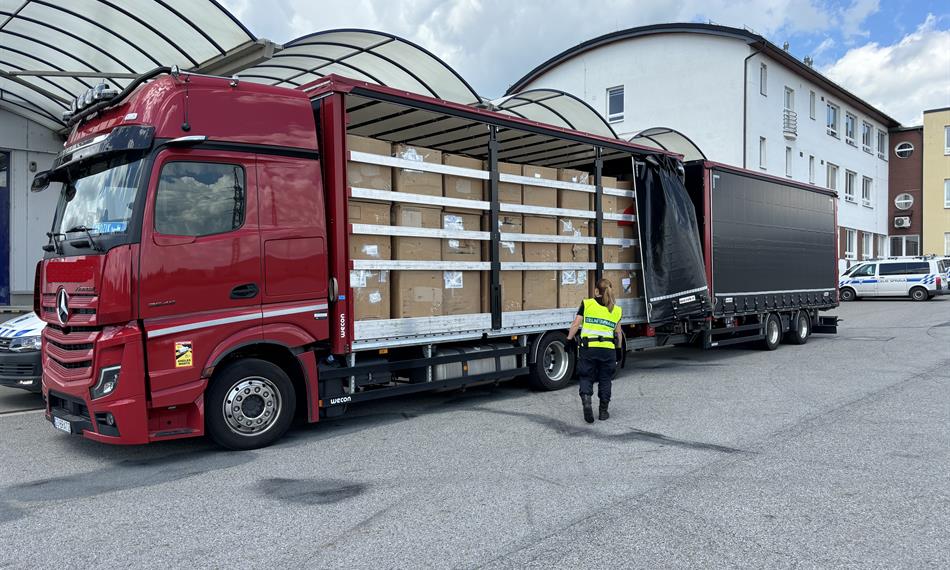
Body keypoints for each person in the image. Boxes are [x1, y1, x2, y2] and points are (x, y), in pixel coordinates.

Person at [566, 278, 623, 423]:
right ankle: (603, 412)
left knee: (586, 376)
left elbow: (576, 324)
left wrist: (569, 339)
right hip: (608, 351)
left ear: (596, 291)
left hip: (589, 349)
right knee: (605, 379)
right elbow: (618, 333)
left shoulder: (587, 304)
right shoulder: (616, 310)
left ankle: (587, 402)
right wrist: (618, 350)